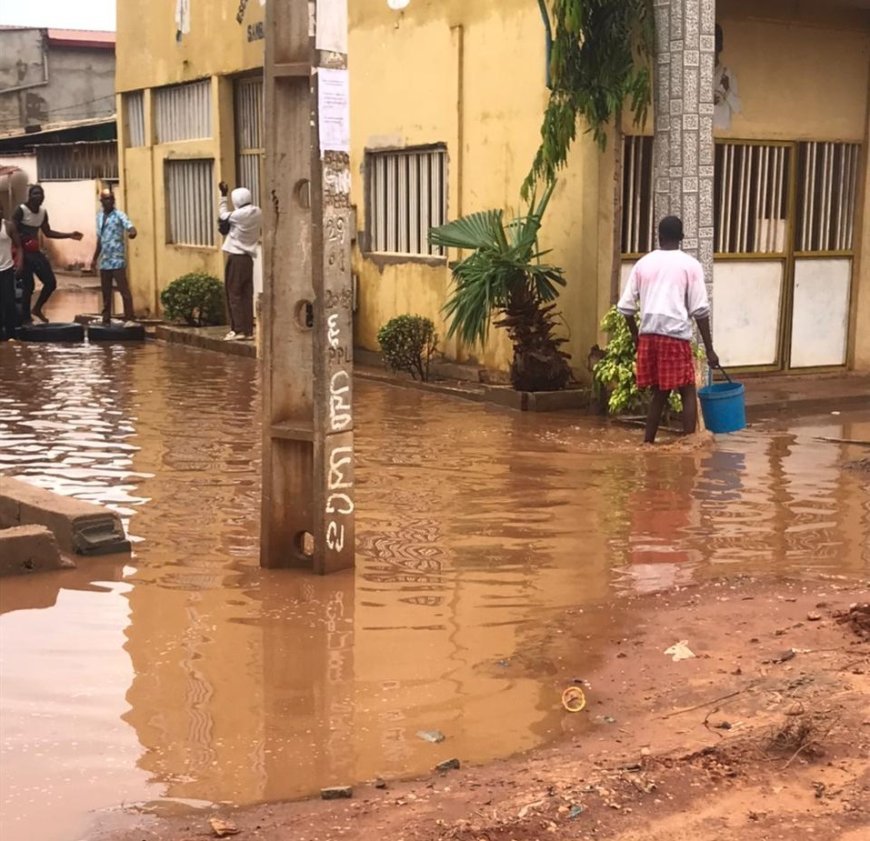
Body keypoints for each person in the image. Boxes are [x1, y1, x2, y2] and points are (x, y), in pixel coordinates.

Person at [617, 216, 719, 444]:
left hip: (649, 337)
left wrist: (637, 337)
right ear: (682, 238)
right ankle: (688, 444)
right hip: (675, 337)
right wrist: (710, 350)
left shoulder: (643, 263)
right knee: (688, 390)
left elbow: (625, 308)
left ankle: (647, 443)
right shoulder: (690, 266)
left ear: (659, 236)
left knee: (660, 393)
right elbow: (700, 311)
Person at [13, 185, 83, 324]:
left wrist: (69, 235)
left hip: (34, 252)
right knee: (28, 286)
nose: (38, 196)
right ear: (29, 196)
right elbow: (12, 231)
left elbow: (48, 232)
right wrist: (19, 250)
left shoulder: (43, 213)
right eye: (35, 193)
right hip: (23, 252)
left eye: (40, 194)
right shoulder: (21, 210)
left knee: (51, 283)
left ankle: (37, 309)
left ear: (43, 197)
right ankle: (26, 318)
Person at [218, 181, 262, 341]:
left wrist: (222, 196)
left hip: (236, 258)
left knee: (234, 294)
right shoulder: (258, 212)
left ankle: (237, 330)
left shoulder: (237, 215)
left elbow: (222, 214)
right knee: (246, 294)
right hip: (248, 259)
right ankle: (248, 330)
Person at [92, 189, 138, 325]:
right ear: (101, 201)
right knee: (106, 291)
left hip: (117, 259)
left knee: (123, 289)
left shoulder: (119, 215)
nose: (109, 201)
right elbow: (99, 239)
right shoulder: (99, 217)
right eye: (106, 199)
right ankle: (106, 317)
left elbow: (130, 227)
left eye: (111, 199)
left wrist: (132, 232)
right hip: (105, 260)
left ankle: (129, 317)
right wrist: (94, 258)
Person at [0, 206, 24, 341]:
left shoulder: (9, 226)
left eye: (0, 209)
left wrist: (20, 262)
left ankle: (11, 335)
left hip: (7, 269)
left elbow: (19, 246)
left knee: (8, 302)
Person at [714, 23, 742, 132]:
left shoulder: (728, 75)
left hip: (721, 133)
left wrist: (728, 91)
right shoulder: (694, 74)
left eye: (715, 44)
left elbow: (738, 108)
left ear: (720, 47)